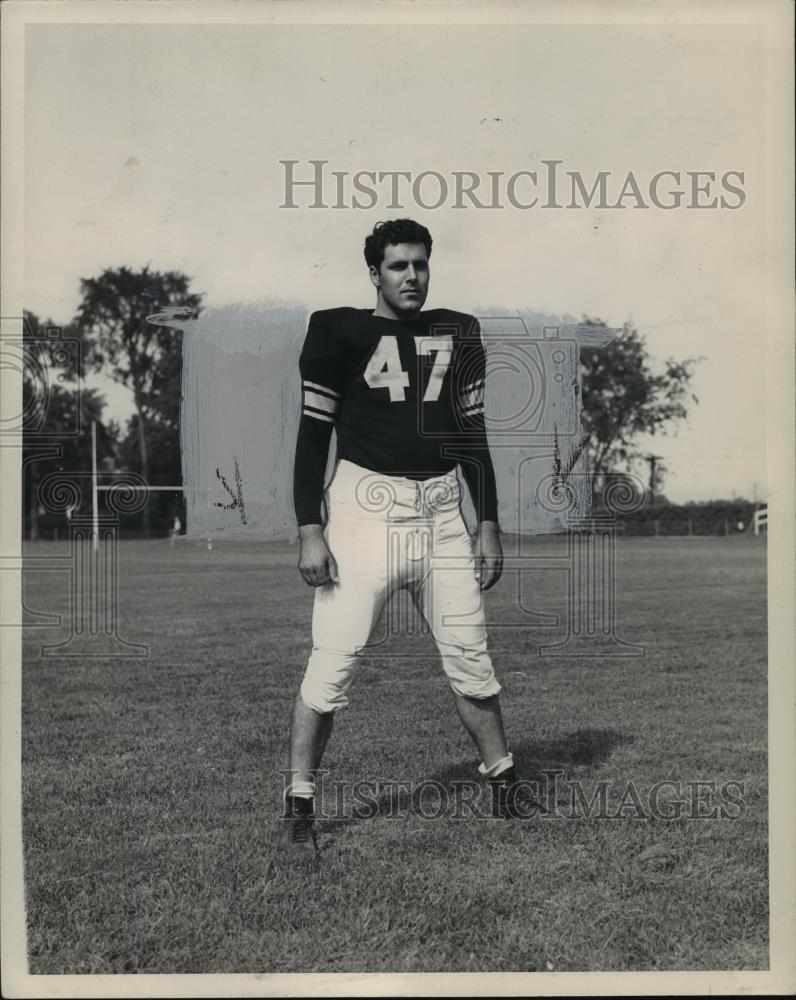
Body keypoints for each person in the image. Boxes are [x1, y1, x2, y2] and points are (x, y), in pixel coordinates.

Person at [279, 218, 538, 860]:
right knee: (334, 660)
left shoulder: (459, 331)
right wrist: (310, 530)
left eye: (420, 264)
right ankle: (301, 799)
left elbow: (472, 436)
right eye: (398, 266)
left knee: (471, 655)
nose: (412, 276)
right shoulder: (338, 331)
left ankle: (503, 781)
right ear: (374, 273)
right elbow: (313, 439)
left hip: (445, 508)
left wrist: (487, 523)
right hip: (366, 511)